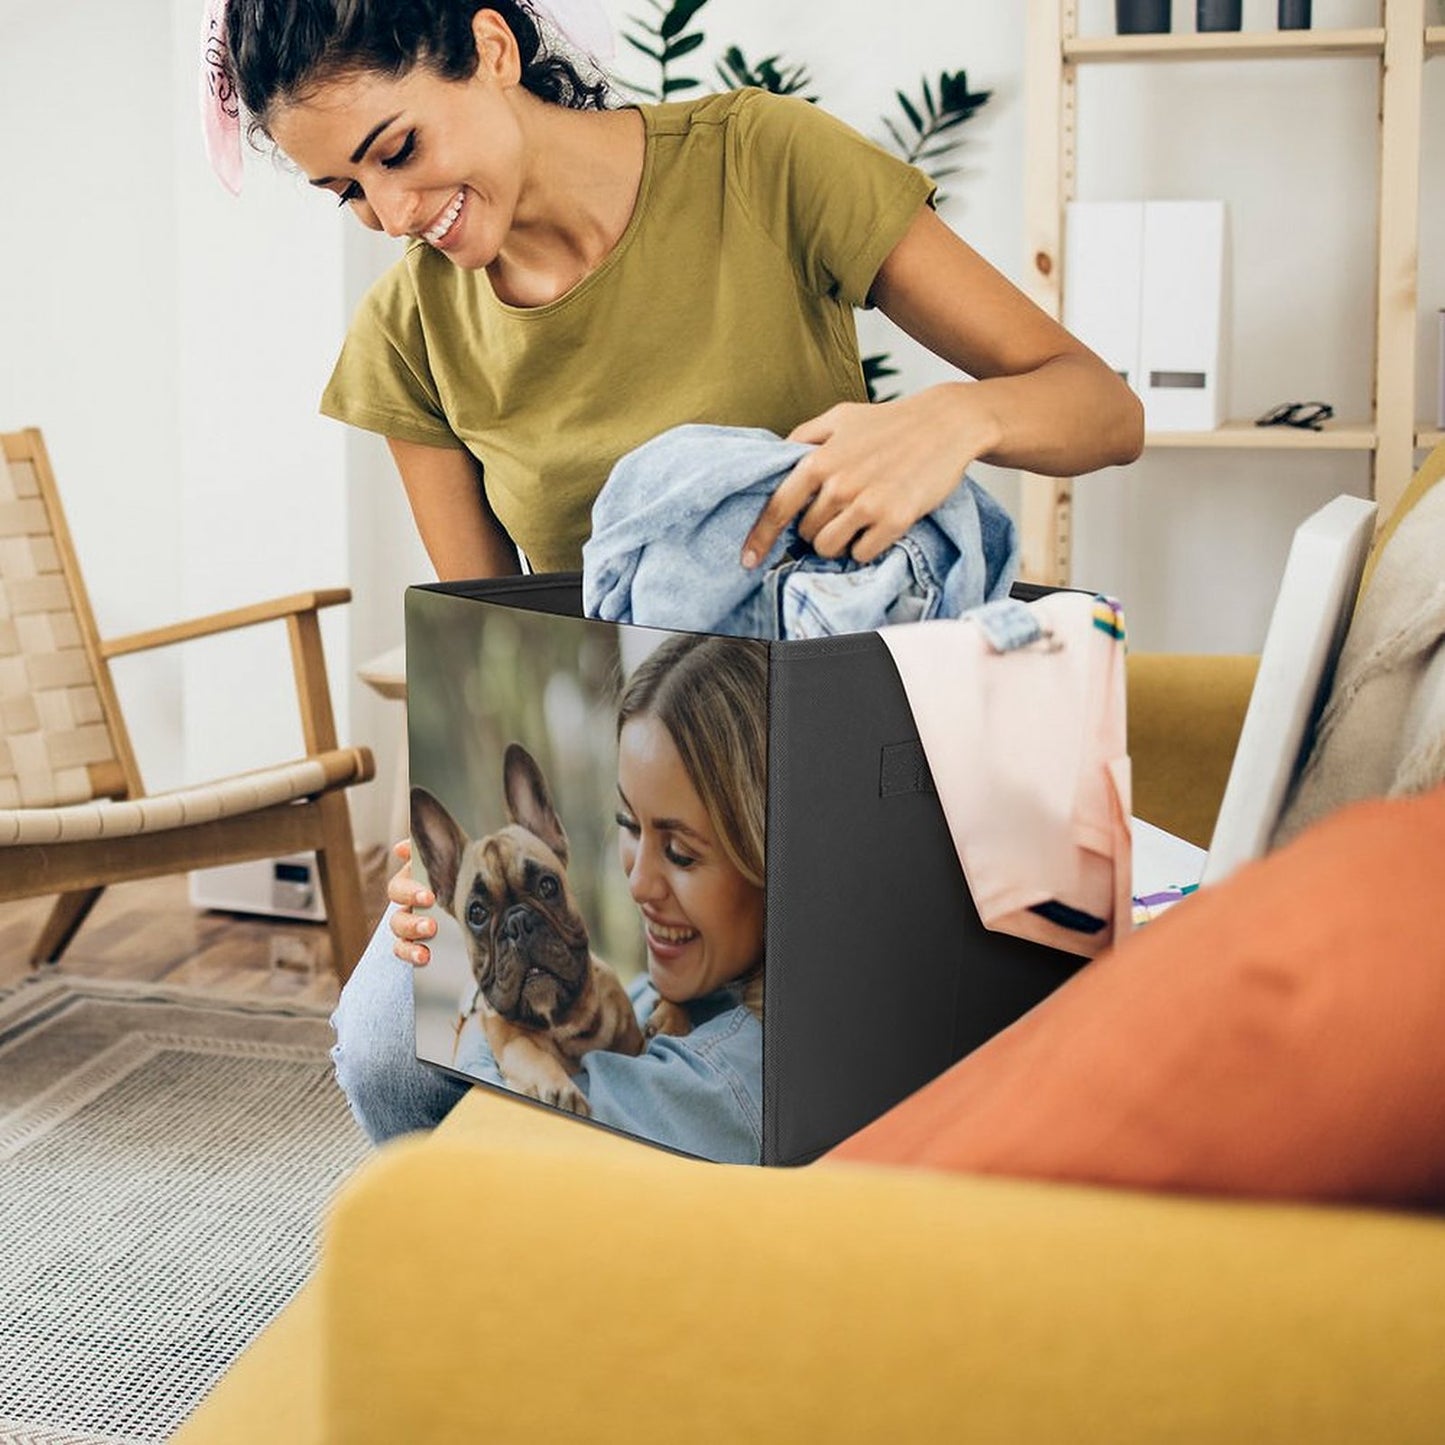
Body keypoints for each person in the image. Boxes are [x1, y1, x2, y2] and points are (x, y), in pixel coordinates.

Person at [216, 0, 1141, 1040]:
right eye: (348, 191)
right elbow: (485, 633)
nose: (389, 213)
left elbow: (1103, 411)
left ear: (488, 50)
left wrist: (951, 418)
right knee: (390, 1050)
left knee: (809, 1063)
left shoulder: (761, 163)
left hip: (844, 758)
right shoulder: (408, 331)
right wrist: (447, 860)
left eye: (398, 150)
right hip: (655, 812)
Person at [331, 632, 770, 1162]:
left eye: (680, 850)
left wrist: (486, 1028)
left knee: (393, 1062)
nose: (636, 886)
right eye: (627, 824)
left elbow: (492, 1140)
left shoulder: (737, 1070)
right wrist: (427, 893)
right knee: (382, 1029)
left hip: (508, 1160)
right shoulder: (646, 987)